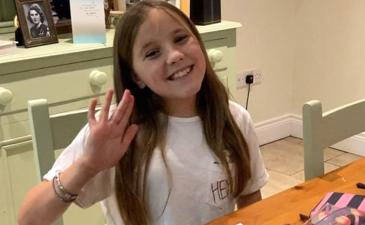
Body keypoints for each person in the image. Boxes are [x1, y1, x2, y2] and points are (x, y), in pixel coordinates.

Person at [18, 1, 268, 225]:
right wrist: (88, 165)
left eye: (181, 38)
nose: (175, 55)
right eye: (152, 53)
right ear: (136, 76)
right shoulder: (117, 131)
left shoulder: (235, 119)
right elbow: (28, 219)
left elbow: (250, 199)